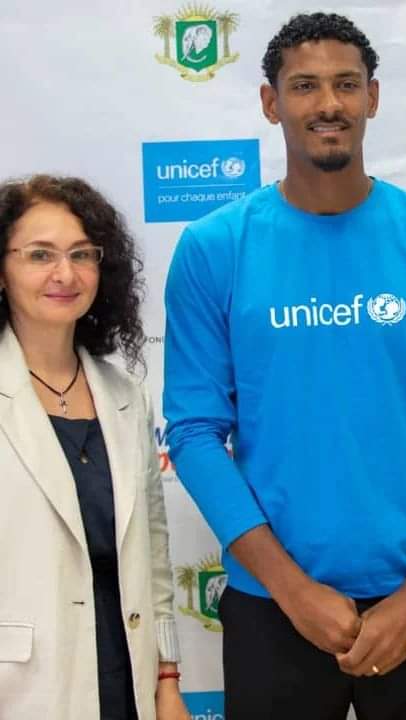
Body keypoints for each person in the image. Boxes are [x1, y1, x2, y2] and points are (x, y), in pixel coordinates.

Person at [163, 12, 406, 720]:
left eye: (347, 85)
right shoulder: (213, 248)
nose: (329, 104)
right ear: (271, 102)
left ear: (372, 98)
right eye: (306, 86)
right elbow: (195, 433)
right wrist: (291, 589)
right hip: (273, 607)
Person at [0, 175, 189, 720]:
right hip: (23, 688)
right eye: (40, 255)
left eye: (82, 254)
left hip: (123, 678)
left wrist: (168, 679)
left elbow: (152, 560)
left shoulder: (124, 396)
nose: (65, 274)